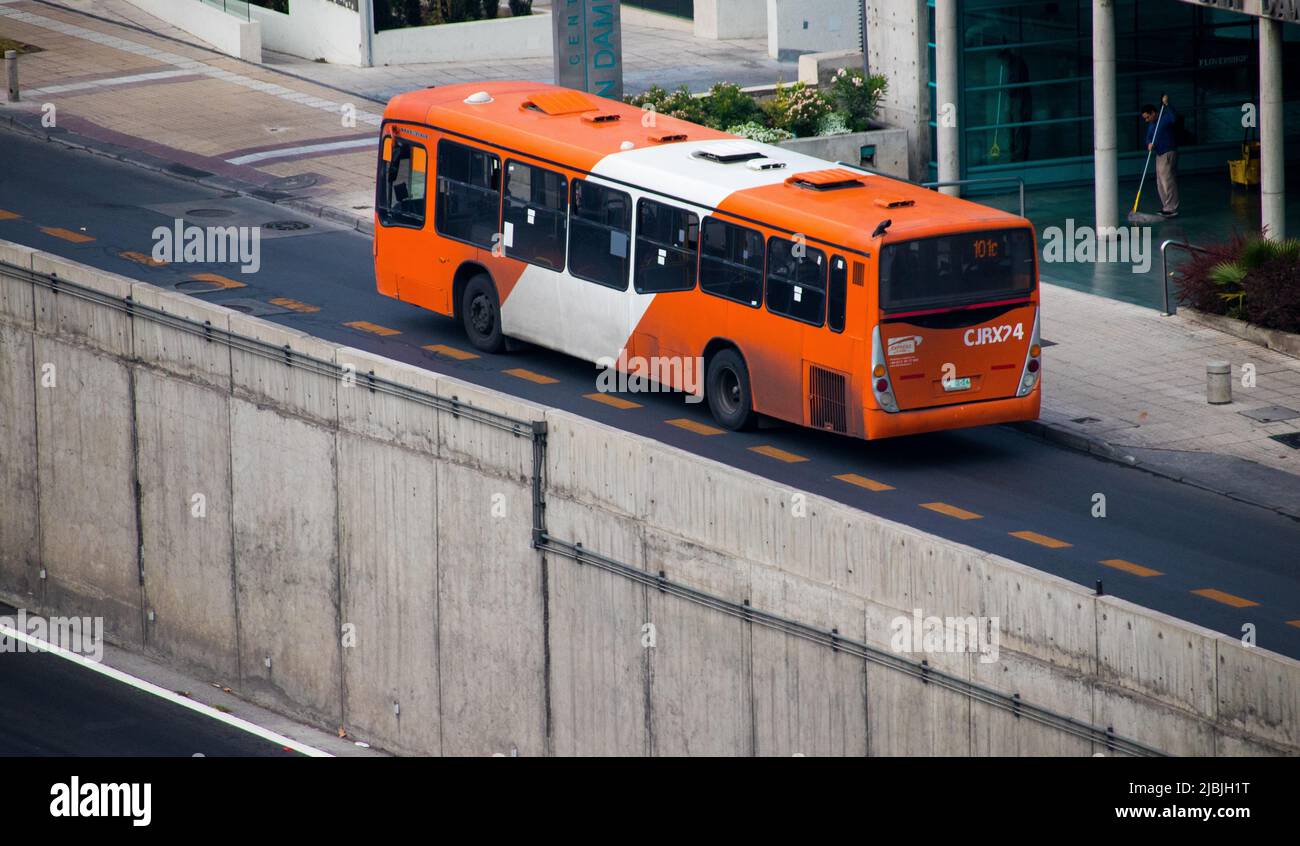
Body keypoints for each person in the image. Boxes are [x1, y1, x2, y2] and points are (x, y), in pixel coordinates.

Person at [1142, 95, 1179, 218]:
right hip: (1159, 154)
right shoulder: (1152, 125)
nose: (1146, 120)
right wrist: (1149, 144)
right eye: (1145, 118)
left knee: (1167, 181)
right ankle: (1166, 207)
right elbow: (1148, 137)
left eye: (1147, 117)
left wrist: (1167, 104)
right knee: (1160, 182)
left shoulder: (1165, 118)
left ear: (1153, 113)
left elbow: (1174, 117)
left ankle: (1172, 208)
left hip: (1168, 152)